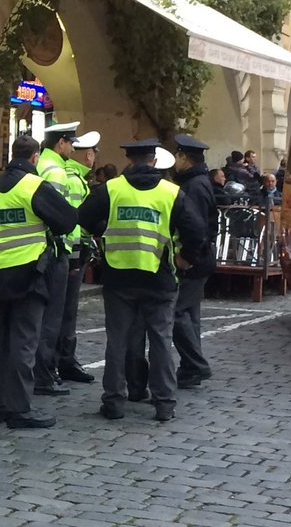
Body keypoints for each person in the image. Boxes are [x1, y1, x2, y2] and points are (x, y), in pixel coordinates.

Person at [0, 135, 77, 429]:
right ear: (34, 158)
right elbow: (68, 220)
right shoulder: (33, 186)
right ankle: (19, 409)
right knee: (24, 341)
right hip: (28, 273)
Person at [78, 139, 205, 422]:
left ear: (129, 160)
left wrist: (106, 231)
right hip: (159, 277)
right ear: (155, 161)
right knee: (161, 340)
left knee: (117, 340)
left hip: (118, 277)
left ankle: (113, 402)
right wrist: (185, 258)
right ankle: (164, 404)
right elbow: (197, 232)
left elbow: (82, 217)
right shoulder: (172, 193)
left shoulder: (112, 189)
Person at [33, 121, 79, 396]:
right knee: (51, 318)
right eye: (71, 143)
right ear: (61, 143)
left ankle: (41, 371)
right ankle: (44, 374)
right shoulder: (56, 172)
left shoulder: (43, 165)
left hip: (41, 249)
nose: (72, 148)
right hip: (55, 250)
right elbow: (58, 216)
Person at [171, 134, 217, 390]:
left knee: (177, 312)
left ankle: (196, 364)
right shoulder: (199, 181)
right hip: (201, 258)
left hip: (195, 259)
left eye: (178, 156)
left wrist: (186, 258)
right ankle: (191, 368)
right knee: (190, 314)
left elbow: (197, 228)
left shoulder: (195, 186)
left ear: (184, 158)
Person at [57, 129, 100, 385]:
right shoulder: (72, 178)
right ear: (89, 155)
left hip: (70, 253)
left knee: (64, 312)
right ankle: (64, 360)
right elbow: (74, 222)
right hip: (71, 254)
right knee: (65, 312)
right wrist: (75, 258)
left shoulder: (72, 175)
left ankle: (63, 359)